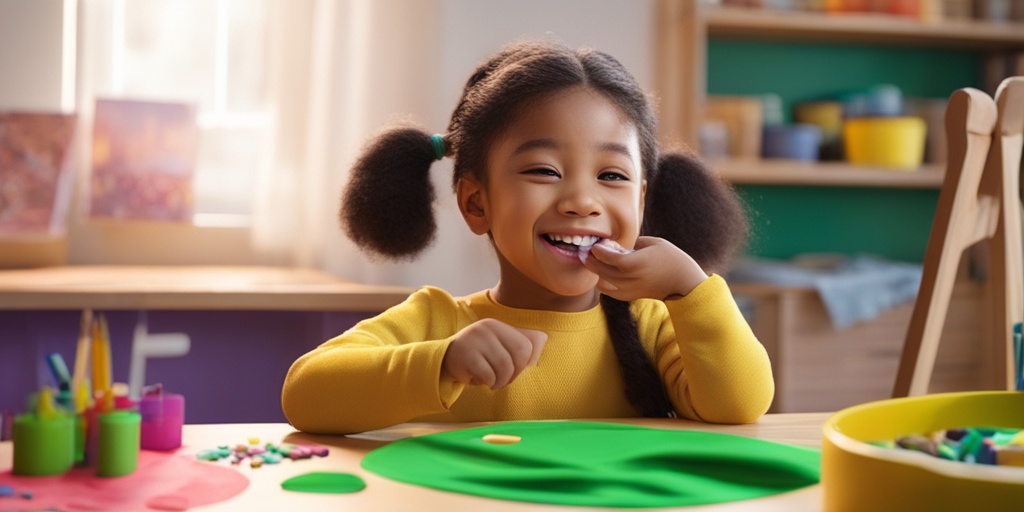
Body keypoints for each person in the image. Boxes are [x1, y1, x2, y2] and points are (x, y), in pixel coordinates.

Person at [281, 40, 774, 435]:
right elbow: (305, 394)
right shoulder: (439, 322)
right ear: (477, 203)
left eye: (612, 176)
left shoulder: (656, 324)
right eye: (544, 170)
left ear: (642, 201)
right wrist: (443, 361)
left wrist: (689, 288)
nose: (583, 200)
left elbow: (742, 404)